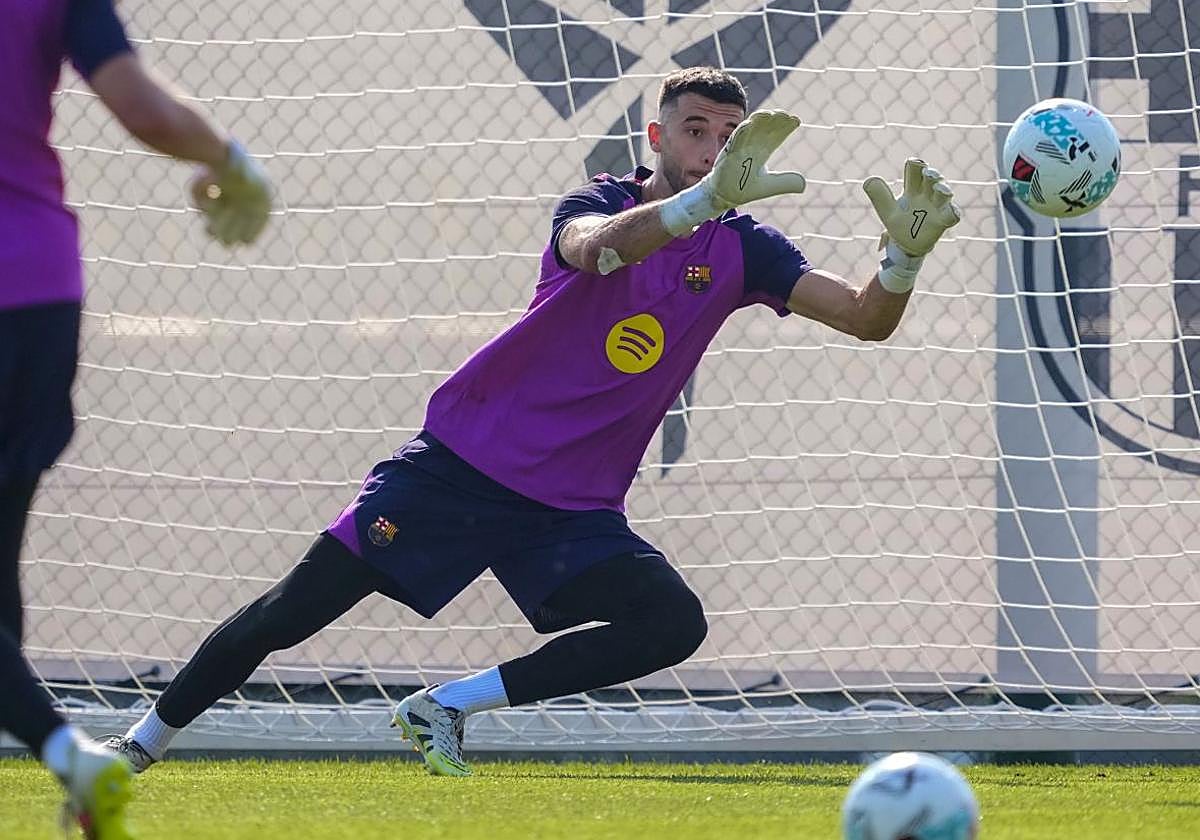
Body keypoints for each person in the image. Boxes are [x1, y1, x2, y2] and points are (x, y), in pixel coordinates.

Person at [105, 66, 959, 778]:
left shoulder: (748, 249)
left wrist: (904, 258)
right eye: (696, 130)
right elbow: (599, 248)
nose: (715, 148)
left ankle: (446, 706)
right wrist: (699, 201)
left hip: (570, 509)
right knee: (290, 612)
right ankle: (139, 746)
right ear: (656, 139)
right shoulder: (597, 200)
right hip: (464, 465)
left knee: (672, 622)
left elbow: (864, 318)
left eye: (730, 136)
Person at [1, 0, 272, 833]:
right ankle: (70, 766)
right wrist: (232, 161)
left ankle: (71, 756)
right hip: (37, 296)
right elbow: (142, 108)